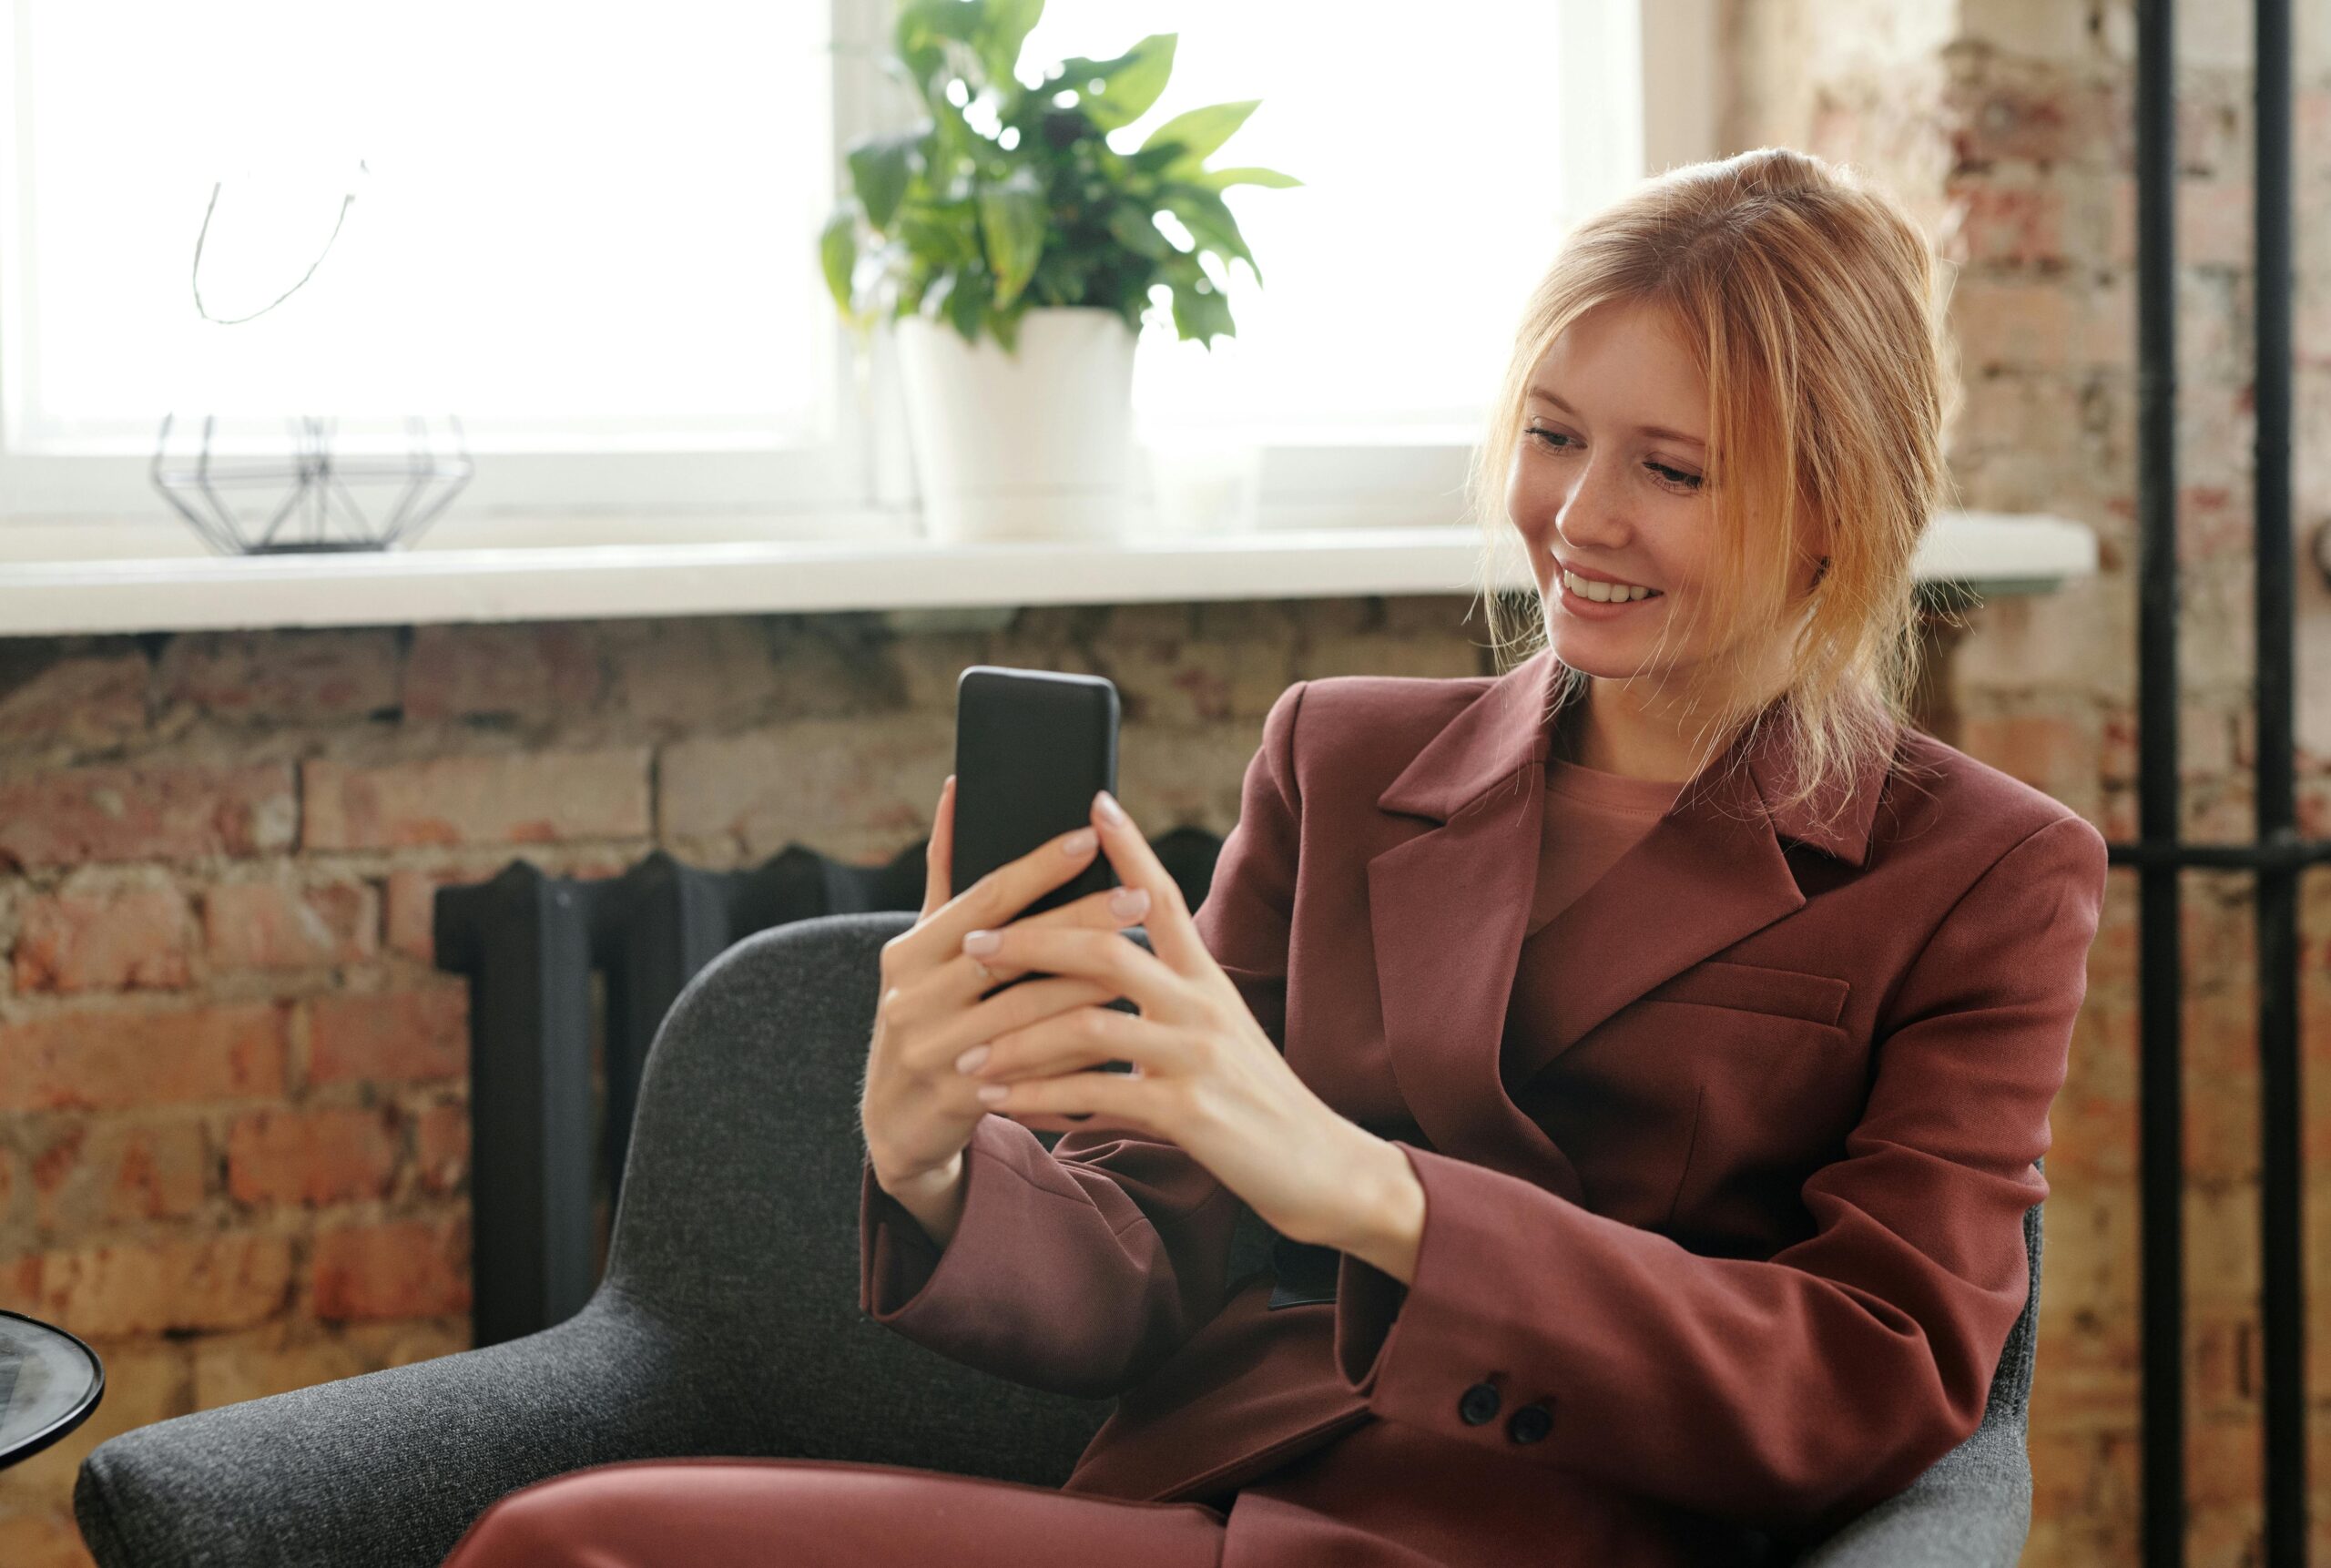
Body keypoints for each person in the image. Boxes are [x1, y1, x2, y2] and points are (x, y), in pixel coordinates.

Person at [435, 145, 2110, 1568]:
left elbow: (1875, 1378)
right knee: (567, 1535)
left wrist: (1372, 1191)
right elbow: (1147, 1253)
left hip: (1555, 1536)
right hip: (1220, 1510)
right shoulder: (1343, 754)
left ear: (1835, 509)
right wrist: (933, 1156)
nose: (1579, 517)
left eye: (1669, 469)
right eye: (1551, 434)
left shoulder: (1985, 869)